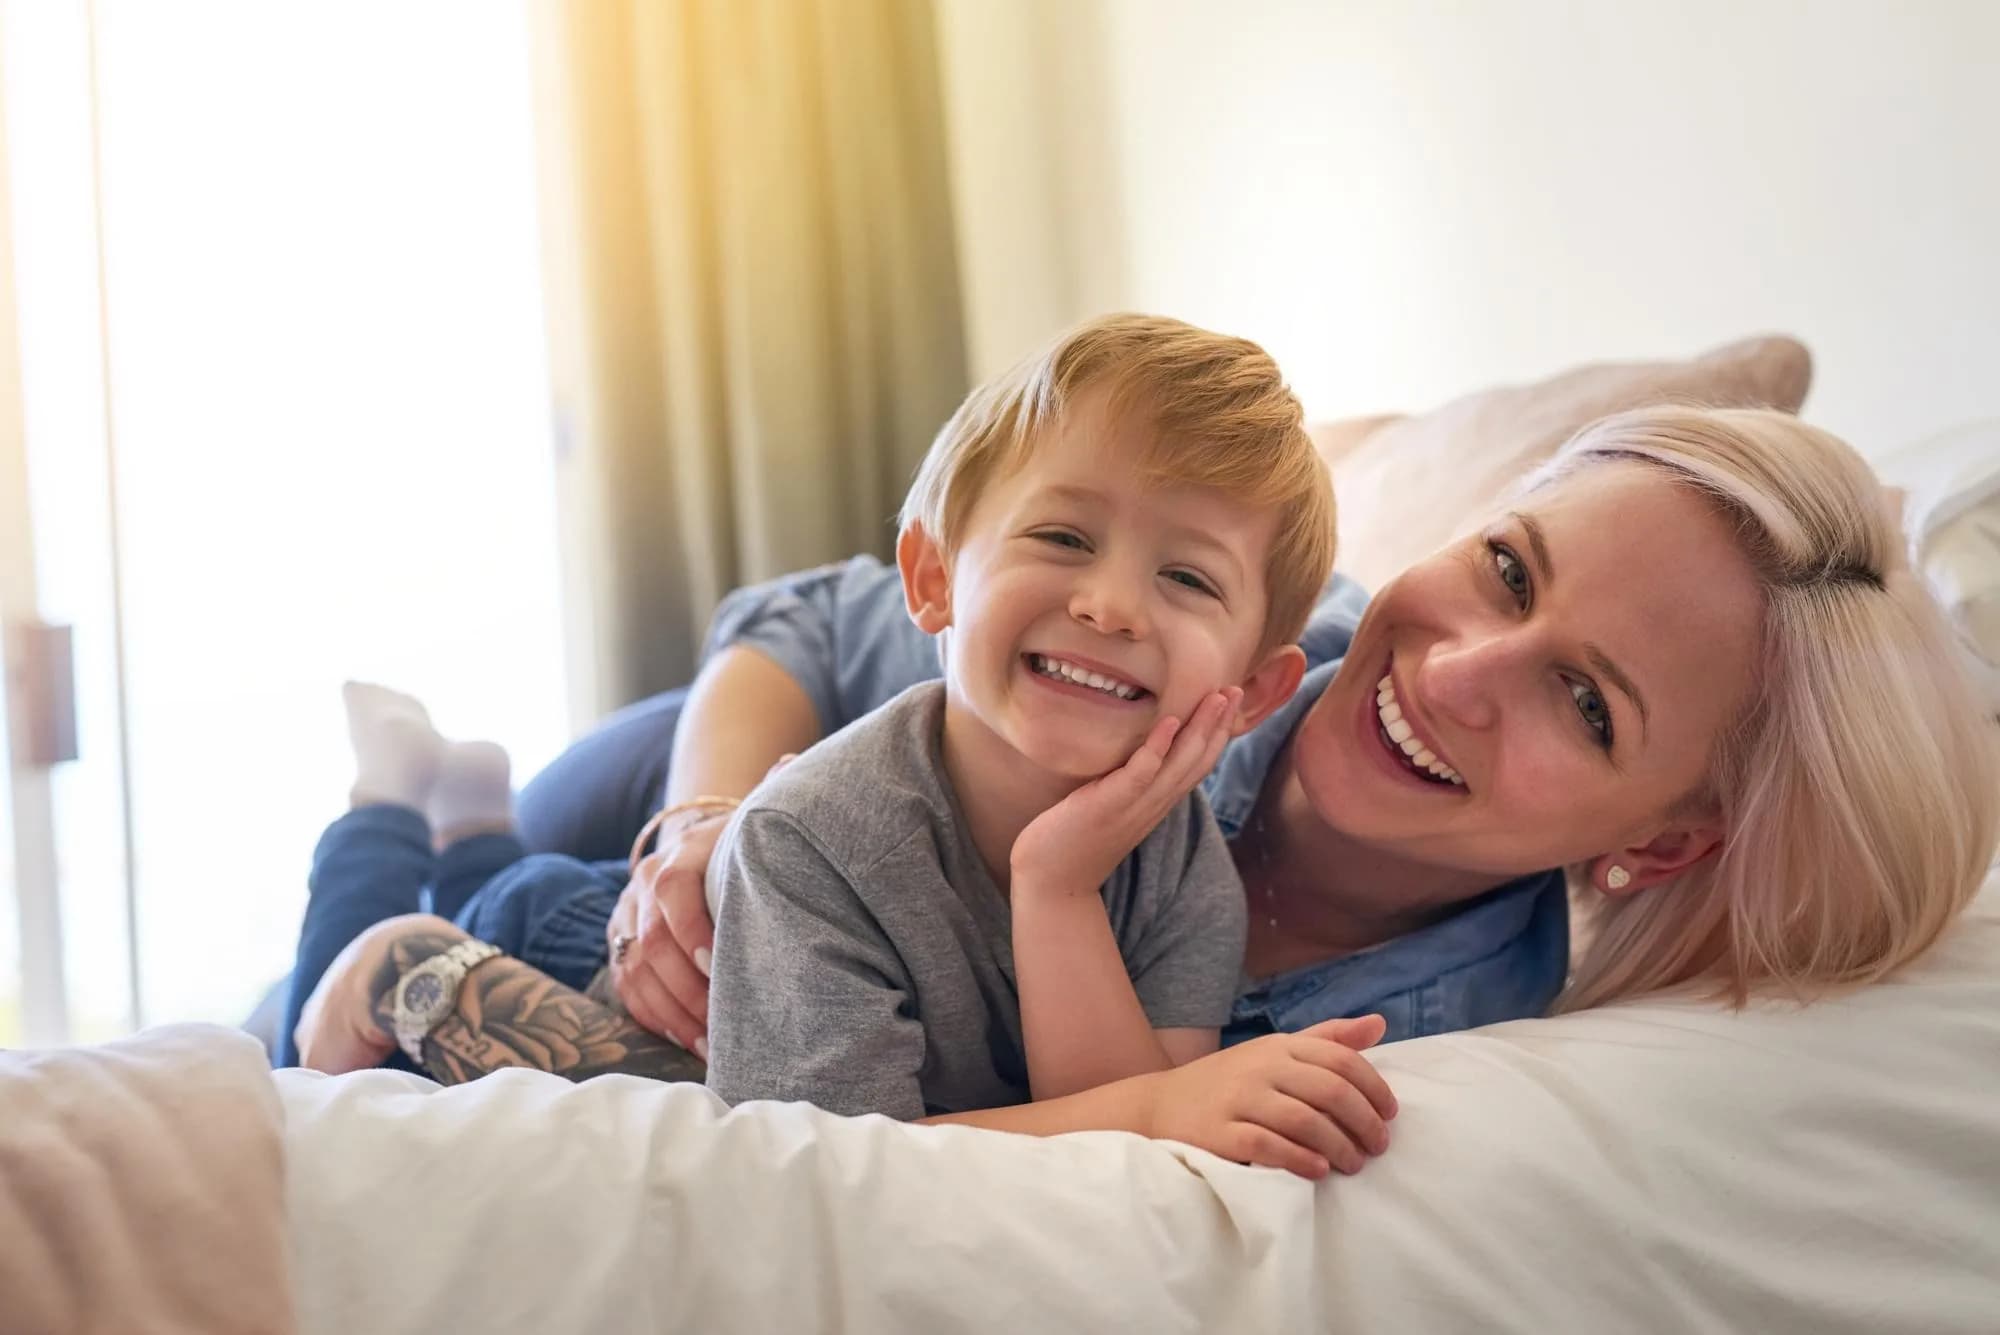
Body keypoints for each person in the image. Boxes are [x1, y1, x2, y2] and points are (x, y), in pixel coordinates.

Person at [300, 401, 1998, 1181]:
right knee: (487, 893)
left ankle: (426, 824)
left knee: (444, 931)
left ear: (1667, 838)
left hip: (715, 975)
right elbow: (803, 628)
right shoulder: (1207, 637)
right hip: (712, 763)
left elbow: (854, 1149)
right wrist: (712, 826)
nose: (1451, 662)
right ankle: (423, 797)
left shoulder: (1465, 1035)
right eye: (1500, 563)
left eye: (1583, 698)